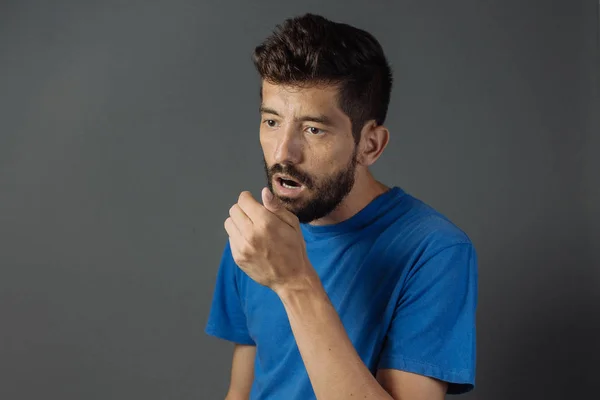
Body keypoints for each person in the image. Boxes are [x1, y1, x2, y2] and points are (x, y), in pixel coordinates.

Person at [205, 13, 478, 400]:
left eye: (313, 129)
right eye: (271, 121)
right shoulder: (256, 235)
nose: (284, 153)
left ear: (370, 145)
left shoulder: (434, 251)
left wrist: (294, 282)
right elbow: (243, 389)